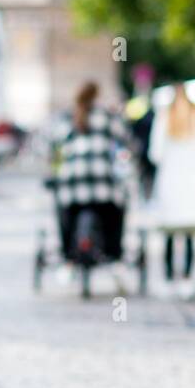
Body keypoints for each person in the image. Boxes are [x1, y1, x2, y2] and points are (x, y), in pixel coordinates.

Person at [44, 81, 132, 287]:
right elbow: (126, 141)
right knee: (117, 211)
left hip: (71, 183)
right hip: (103, 184)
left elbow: (51, 149)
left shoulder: (65, 118)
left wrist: (54, 173)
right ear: (97, 95)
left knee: (63, 212)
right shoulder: (107, 116)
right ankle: (114, 257)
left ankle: (67, 259)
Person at [147, 82, 195, 301]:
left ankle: (170, 278)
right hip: (194, 182)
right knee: (190, 236)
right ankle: (187, 279)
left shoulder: (164, 118)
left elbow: (155, 154)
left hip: (171, 181)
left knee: (170, 234)